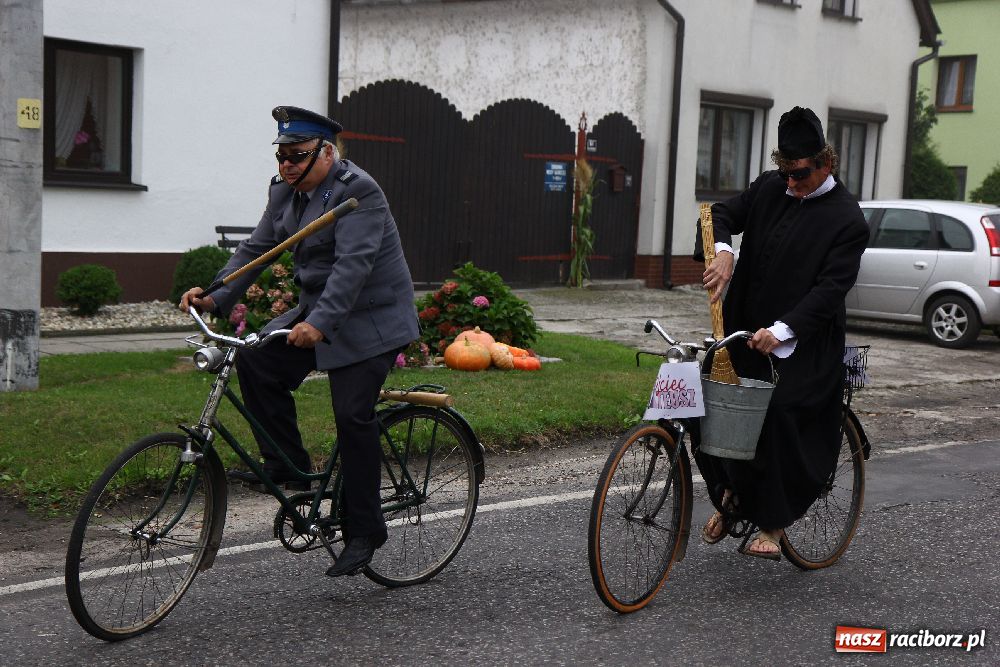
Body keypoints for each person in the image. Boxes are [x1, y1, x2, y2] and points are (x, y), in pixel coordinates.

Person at [180, 106, 419, 577]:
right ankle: (288, 467)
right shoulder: (285, 194)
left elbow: (353, 267)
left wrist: (322, 322)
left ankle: (365, 529)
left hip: (371, 321)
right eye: (282, 156)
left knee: (352, 414)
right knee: (256, 361)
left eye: (298, 155)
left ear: (326, 153)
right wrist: (214, 295)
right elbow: (256, 250)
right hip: (318, 313)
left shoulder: (359, 193)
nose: (288, 165)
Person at [694, 106, 869, 560]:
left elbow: (831, 290)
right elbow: (718, 215)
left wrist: (783, 329)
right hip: (744, 330)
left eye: (801, 174)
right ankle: (732, 498)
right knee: (710, 403)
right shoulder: (771, 188)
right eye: (785, 172)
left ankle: (771, 522)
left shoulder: (848, 220)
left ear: (826, 163)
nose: (791, 183)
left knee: (777, 412)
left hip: (804, 346)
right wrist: (725, 250)